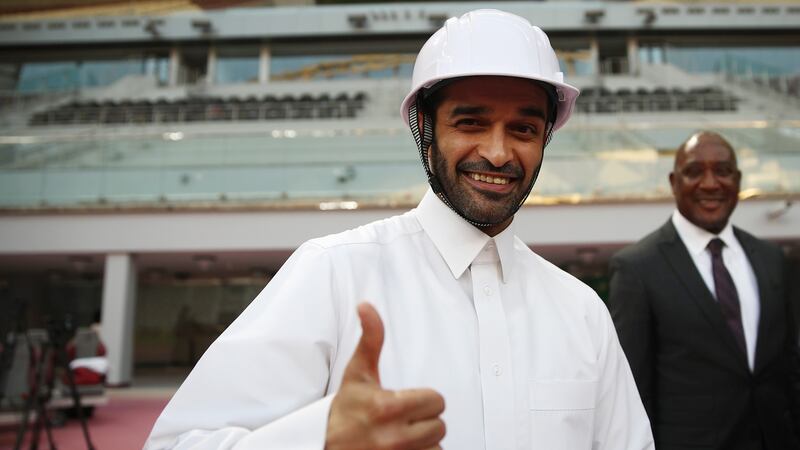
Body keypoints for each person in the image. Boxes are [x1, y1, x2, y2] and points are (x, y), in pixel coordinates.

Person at [146, 9, 653, 450]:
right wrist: (320, 440)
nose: (498, 153)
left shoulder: (581, 310)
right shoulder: (333, 273)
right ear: (426, 133)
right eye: (471, 123)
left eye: (523, 129)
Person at [608, 131, 800, 450]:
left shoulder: (771, 260)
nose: (710, 184)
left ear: (738, 180)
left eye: (722, 171)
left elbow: (789, 370)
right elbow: (632, 392)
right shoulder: (637, 269)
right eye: (694, 172)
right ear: (674, 182)